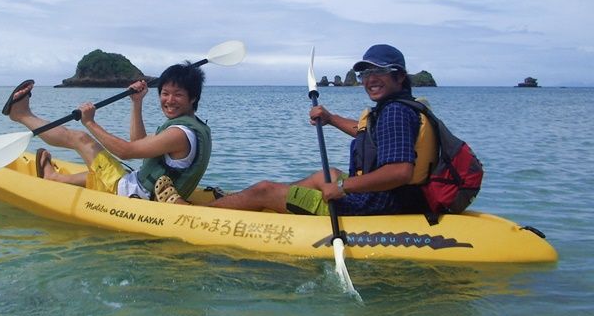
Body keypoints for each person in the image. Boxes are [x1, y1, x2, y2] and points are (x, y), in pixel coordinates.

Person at [154, 44, 433, 215]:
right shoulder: (400, 106)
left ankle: (197, 214)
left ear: (398, 76)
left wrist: (343, 187)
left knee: (264, 189)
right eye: (366, 74)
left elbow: (399, 171)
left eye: (379, 73)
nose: (370, 80)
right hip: (395, 197)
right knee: (328, 173)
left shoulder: (395, 112)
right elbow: (369, 134)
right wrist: (332, 118)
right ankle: (247, 202)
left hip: (379, 204)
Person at [2, 63, 211, 201]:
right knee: (104, 170)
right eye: (165, 93)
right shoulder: (193, 128)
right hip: (141, 189)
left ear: (193, 98)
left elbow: (126, 151)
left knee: (81, 139)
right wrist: (136, 103)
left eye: (178, 95)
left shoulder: (178, 134)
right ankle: (54, 178)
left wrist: (90, 123)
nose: (169, 100)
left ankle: (21, 114)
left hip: (131, 195)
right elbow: (138, 142)